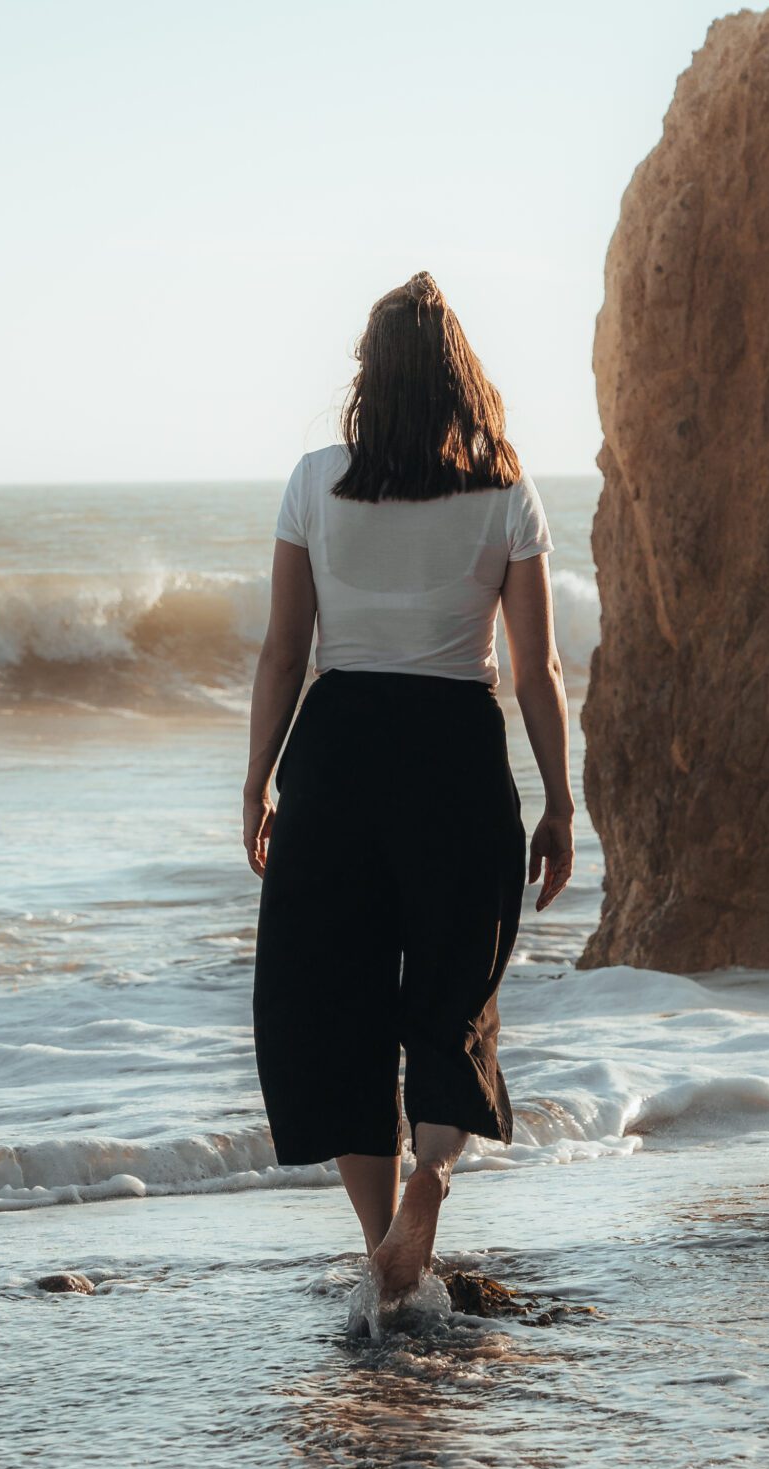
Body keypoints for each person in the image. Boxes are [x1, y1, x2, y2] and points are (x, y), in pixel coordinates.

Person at [244, 271, 575, 1310]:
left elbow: (281, 653)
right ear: (459, 378)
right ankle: (425, 1190)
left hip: (338, 753)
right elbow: (536, 674)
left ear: (365, 377)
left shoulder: (312, 481)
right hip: (454, 756)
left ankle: (382, 1246)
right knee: (452, 996)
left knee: (328, 1005)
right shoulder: (505, 490)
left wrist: (257, 779)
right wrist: (560, 804)